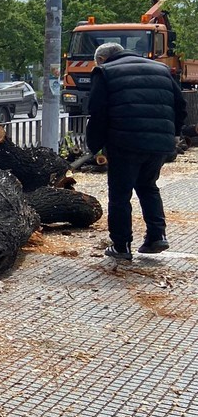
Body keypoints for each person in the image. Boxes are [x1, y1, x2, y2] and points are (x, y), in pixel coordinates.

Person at [86, 42, 186, 260]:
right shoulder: (160, 69)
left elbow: (97, 112)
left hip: (124, 142)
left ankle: (121, 246)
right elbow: (180, 105)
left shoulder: (104, 71)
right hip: (159, 143)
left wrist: (95, 146)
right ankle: (156, 236)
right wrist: (174, 135)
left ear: (102, 59)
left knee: (120, 194)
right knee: (148, 186)